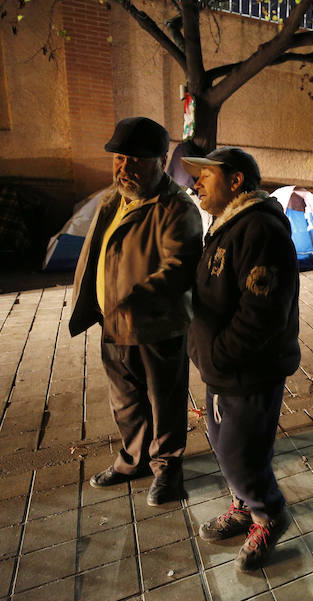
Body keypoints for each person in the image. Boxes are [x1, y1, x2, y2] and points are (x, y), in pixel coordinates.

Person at [69, 116, 203, 506]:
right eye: (119, 158)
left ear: (162, 160)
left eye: (136, 160)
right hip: (112, 323)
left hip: (157, 327)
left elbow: (178, 268)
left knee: (165, 403)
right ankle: (133, 461)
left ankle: (168, 471)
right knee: (125, 401)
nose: (124, 168)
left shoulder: (177, 208)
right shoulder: (113, 200)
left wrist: (132, 300)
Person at [181, 147, 300, 572]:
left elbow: (263, 312)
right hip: (222, 367)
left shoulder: (261, 230)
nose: (195, 182)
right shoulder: (225, 226)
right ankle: (244, 504)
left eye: (205, 175)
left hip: (249, 370)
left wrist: (217, 355)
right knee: (223, 444)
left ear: (235, 181)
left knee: (240, 451)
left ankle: (269, 513)